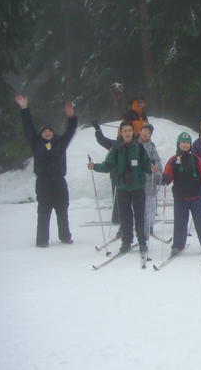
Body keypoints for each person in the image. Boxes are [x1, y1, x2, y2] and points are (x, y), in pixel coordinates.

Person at [15, 95, 77, 247]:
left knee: (62, 212)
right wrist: (24, 108)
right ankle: (42, 240)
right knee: (43, 213)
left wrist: (71, 118)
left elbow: (70, 130)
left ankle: (65, 236)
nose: (48, 133)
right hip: (43, 184)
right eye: (44, 131)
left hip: (59, 183)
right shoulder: (36, 143)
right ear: (40, 135)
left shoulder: (61, 142)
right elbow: (28, 128)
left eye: (50, 131)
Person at [87, 122, 156, 254]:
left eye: (129, 130)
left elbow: (146, 164)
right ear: (121, 133)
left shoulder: (139, 147)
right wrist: (94, 166)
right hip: (122, 188)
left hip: (137, 188)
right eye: (125, 131)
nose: (127, 133)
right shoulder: (116, 148)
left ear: (133, 132)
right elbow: (108, 165)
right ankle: (126, 242)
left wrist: (151, 167)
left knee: (140, 216)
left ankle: (142, 241)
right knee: (124, 217)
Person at [162, 132, 201, 256]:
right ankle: (178, 245)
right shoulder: (173, 160)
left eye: (187, 143)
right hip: (180, 197)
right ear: (178, 144)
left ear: (190, 144)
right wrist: (165, 178)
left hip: (196, 196)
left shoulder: (195, 159)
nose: (185, 145)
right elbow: (168, 175)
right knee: (180, 222)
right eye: (183, 142)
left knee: (200, 222)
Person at [92, 120, 121, 226]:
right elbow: (102, 140)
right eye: (122, 131)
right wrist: (98, 129)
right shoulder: (114, 144)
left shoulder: (134, 144)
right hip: (116, 175)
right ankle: (116, 218)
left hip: (130, 176)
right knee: (117, 197)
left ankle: (129, 217)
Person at [138, 123, 162, 240]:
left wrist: (158, 173)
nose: (146, 133)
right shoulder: (133, 145)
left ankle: (149, 226)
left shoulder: (151, 148)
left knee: (150, 205)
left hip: (149, 181)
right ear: (140, 131)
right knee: (135, 205)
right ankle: (135, 227)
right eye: (145, 131)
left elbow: (157, 162)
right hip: (135, 181)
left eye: (149, 133)